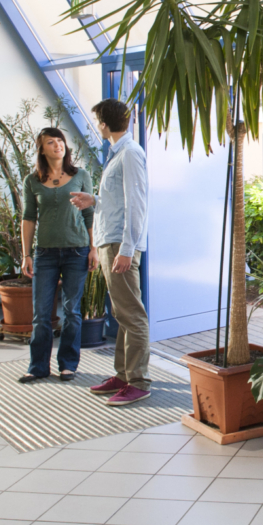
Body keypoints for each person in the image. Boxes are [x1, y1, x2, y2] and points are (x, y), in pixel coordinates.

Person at [70, 99, 150, 406]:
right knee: (121, 312)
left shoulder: (130, 153)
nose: (96, 126)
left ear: (104, 124)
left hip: (120, 244)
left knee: (132, 314)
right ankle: (123, 375)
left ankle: (139, 380)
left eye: (97, 122)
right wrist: (96, 199)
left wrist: (127, 249)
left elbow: (137, 204)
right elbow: (120, 199)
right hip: (111, 240)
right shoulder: (119, 153)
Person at [18, 127, 97, 384]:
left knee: (72, 311)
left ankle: (68, 365)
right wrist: (26, 254)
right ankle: (38, 366)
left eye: (60, 141)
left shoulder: (81, 175)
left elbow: (89, 215)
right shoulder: (32, 180)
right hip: (45, 254)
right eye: (50, 142)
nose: (57, 145)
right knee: (41, 314)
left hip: (77, 250)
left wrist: (93, 247)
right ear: (42, 149)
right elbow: (28, 218)